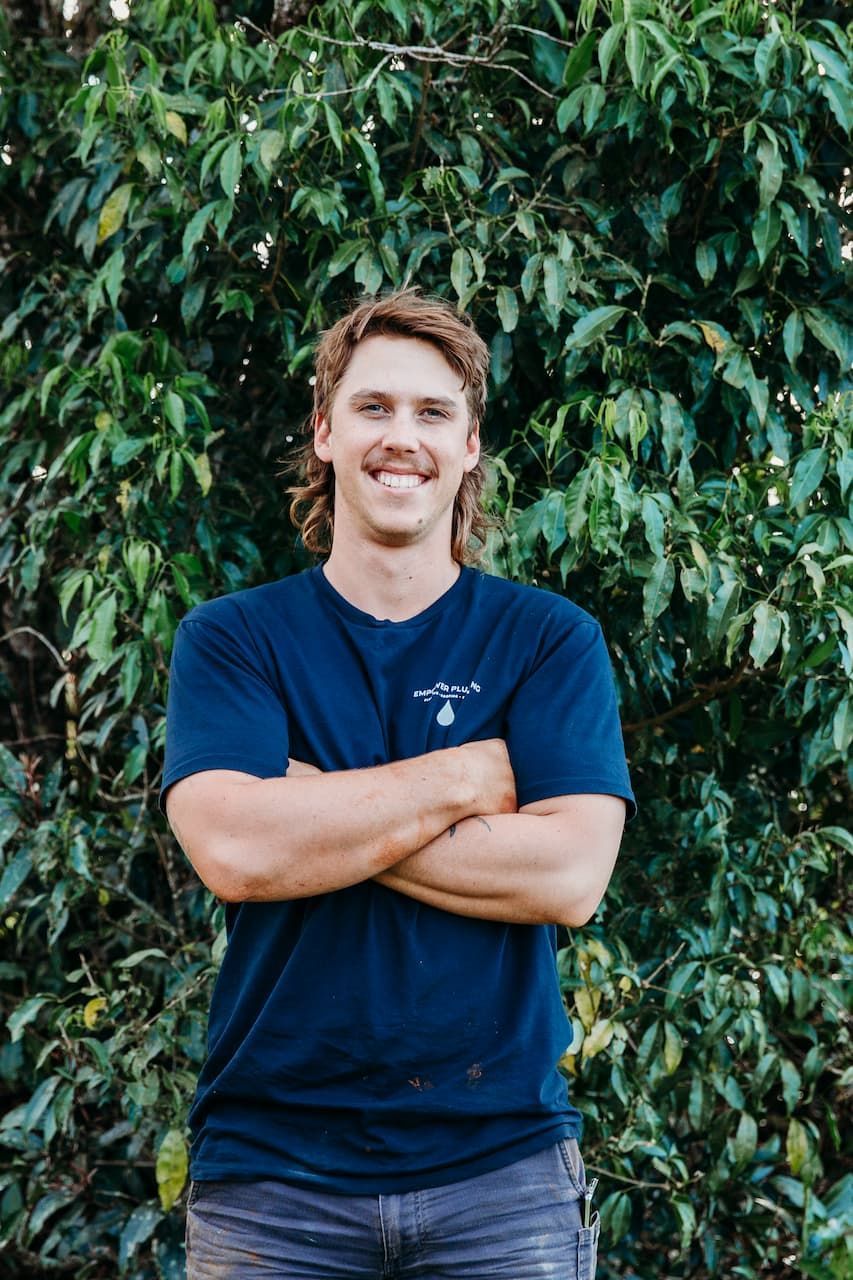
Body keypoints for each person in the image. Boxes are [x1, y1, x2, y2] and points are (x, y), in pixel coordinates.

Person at [161, 289, 636, 1280]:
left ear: (469, 447)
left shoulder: (547, 639)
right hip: (272, 1182)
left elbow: (568, 876)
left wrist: (310, 806)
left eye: (433, 413)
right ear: (324, 431)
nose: (401, 437)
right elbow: (239, 851)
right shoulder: (233, 639)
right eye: (373, 407)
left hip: (501, 1175)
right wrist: (472, 775)